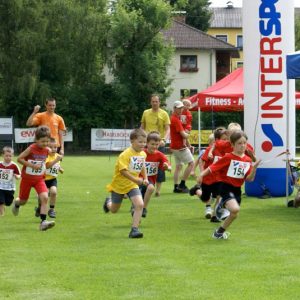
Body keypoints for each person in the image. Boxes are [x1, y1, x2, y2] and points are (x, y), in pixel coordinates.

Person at [199, 131, 261, 239]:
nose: (242, 146)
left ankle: (219, 232)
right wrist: (201, 174)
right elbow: (213, 167)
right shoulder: (228, 157)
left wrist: (254, 168)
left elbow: (249, 179)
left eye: (244, 143)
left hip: (237, 190)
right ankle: (221, 204)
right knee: (235, 209)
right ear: (232, 145)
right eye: (239, 143)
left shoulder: (247, 160)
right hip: (226, 187)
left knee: (234, 214)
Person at [12, 125, 62, 231]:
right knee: (23, 201)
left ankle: (43, 222)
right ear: (36, 140)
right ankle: (16, 204)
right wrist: (32, 166)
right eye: (43, 141)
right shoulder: (31, 148)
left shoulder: (46, 149)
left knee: (44, 197)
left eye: (47, 141)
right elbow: (19, 159)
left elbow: (48, 162)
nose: (45, 144)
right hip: (27, 179)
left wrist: (56, 158)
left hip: (39, 178)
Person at [103, 128, 149, 239]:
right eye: (140, 142)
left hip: (132, 185)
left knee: (140, 204)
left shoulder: (142, 154)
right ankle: (108, 202)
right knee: (114, 210)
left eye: (144, 142)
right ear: (132, 141)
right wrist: (136, 180)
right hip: (119, 185)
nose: (143, 144)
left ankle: (134, 230)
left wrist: (145, 178)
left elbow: (142, 166)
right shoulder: (125, 155)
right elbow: (123, 171)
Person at [141, 94, 170, 197]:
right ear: (150, 102)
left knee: (161, 166)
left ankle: (157, 190)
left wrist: (164, 140)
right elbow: (142, 127)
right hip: (147, 143)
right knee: (143, 164)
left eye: (156, 101)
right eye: (153, 101)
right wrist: (142, 138)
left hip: (159, 143)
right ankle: (142, 185)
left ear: (159, 102)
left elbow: (167, 129)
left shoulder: (164, 114)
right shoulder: (145, 112)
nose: (154, 103)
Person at [138, 131, 171, 218]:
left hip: (150, 180)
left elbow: (167, 163)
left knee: (151, 187)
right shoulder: (141, 153)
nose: (154, 146)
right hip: (139, 178)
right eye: (152, 144)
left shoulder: (160, 155)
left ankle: (144, 208)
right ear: (147, 143)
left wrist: (167, 166)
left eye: (156, 144)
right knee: (137, 198)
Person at [35, 137, 64, 219]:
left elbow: (56, 165)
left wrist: (60, 169)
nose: (53, 149)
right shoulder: (45, 156)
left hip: (52, 179)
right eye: (50, 147)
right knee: (43, 197)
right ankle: (40, 207)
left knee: (53, 192)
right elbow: (47, 166)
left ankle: (51, 209)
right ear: (46, 147)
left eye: (55, 147)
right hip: (43, 180)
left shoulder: (57, 156)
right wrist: (56, 160)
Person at [170, 100, 194, 193]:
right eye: (179, 108)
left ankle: (176, 187)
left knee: (178, 166)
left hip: (174, 146)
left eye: (181, 108)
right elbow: (183, 135)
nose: (181, 110)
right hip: (180, 146)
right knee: (191, 163)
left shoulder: (174, 118)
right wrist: (188, 134)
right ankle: (182, 185)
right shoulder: (176, 119)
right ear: (174, 108)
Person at [0, 147, 21, 216]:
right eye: (6, 156)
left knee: (8, 202)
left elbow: (19, 175)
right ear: (3, 155)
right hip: (0, 186)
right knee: (1, 201)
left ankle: (15, 203)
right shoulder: (0, 164)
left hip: (10, 187)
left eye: (10, 156)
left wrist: (16, 176)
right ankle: (2, 214)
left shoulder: (14, 166)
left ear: (12, 156)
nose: (8, 157)